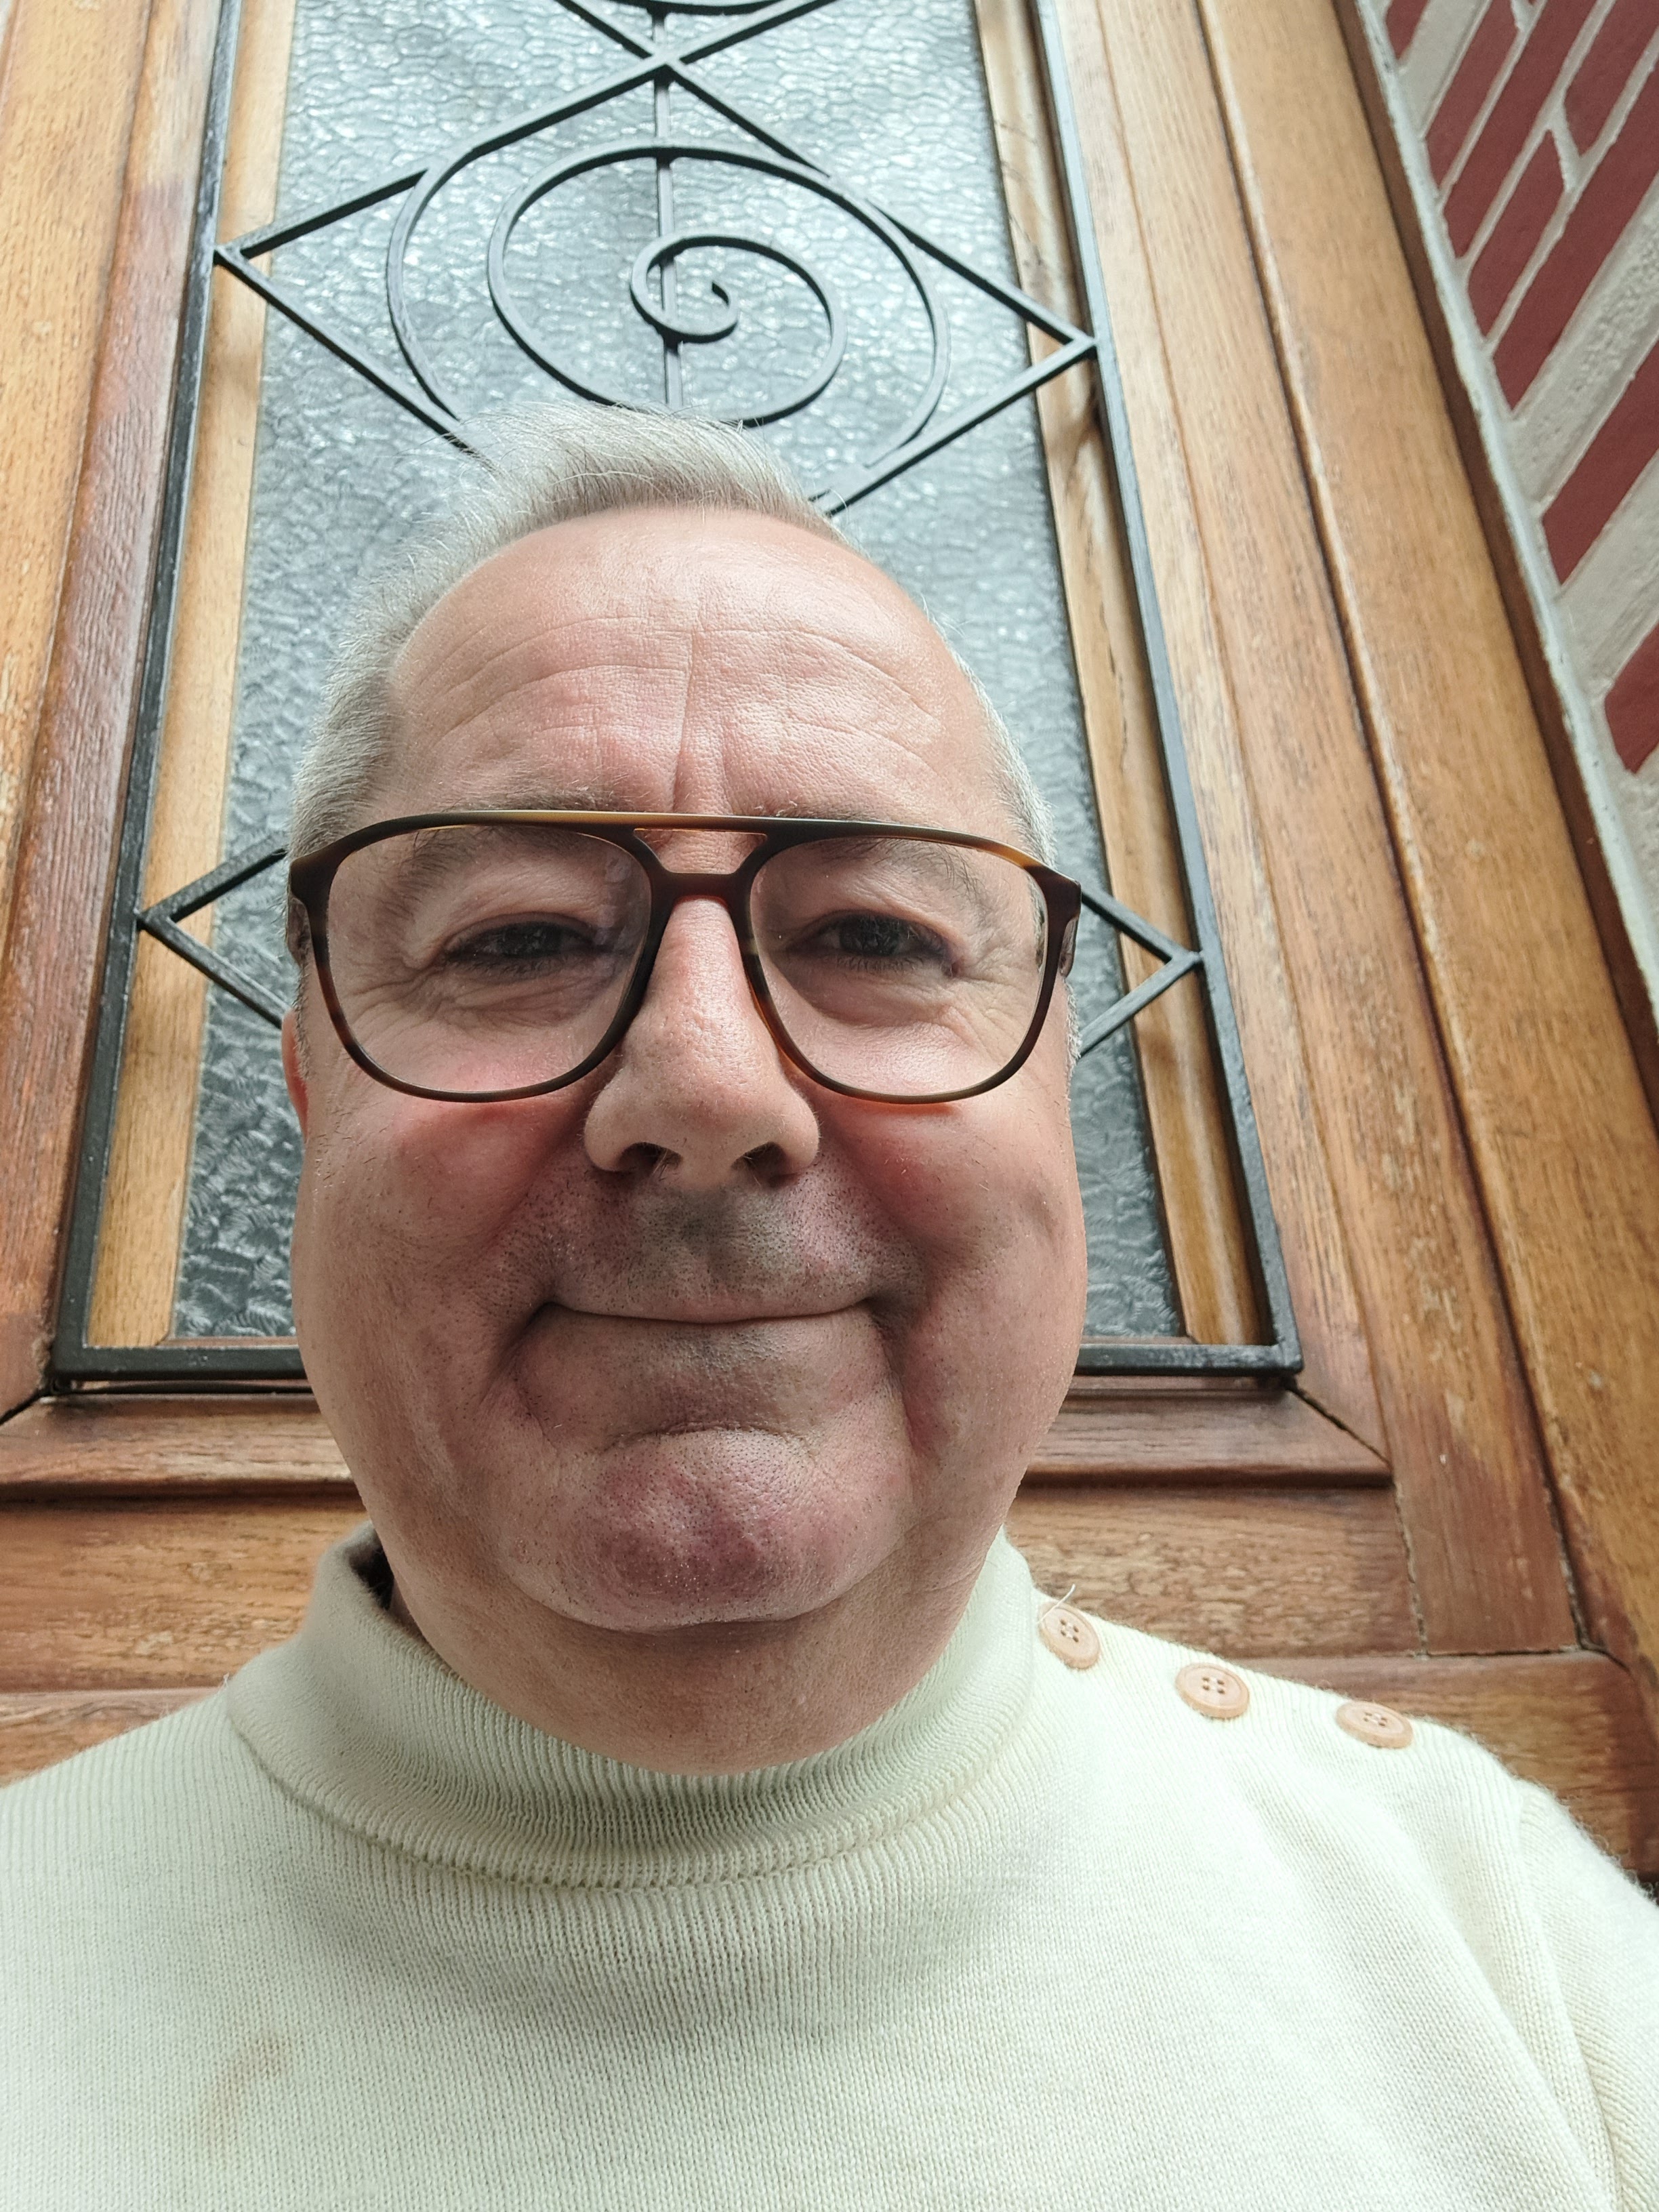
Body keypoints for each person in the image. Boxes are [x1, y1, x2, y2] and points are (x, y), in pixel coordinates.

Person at [4, 405, 1656, 2211]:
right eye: (518, 938)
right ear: (313, 1087)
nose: (710, 1085)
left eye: (875, 937)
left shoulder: (1508, 1954)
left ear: (1058, 1082)